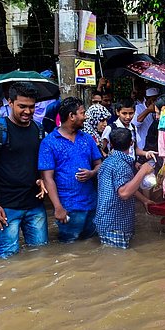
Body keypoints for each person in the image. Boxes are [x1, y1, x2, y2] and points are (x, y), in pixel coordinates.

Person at [0, 83, 48, 259]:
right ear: (10, 103)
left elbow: (38, 162)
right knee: (7, 260)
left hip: (34, 206)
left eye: (31, 107)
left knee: (41, 257)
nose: (27, 111)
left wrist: (42, 180)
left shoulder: (38, 129)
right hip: (5, 208)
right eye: (22, 106)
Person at [39, 97, 102, 242]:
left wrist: (92, 173)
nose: (85, 117)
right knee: (69, 249)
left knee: (92, 245)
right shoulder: (49, 143)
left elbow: (99, 164)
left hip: (91, 205)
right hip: (68, 207)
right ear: (71, 116)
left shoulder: (87, 138)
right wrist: (58, 207)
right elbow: (47, 178)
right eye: (82, 113)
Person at [94, 127, 154, 249]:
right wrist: (143, 171)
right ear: (131, 143)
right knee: (118, 261)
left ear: (111, 144)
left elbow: (125, 187)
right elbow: (124, 193)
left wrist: (144, 200)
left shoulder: (108, 161)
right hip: (115, 225)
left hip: (106, 221)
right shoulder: (121, 165)